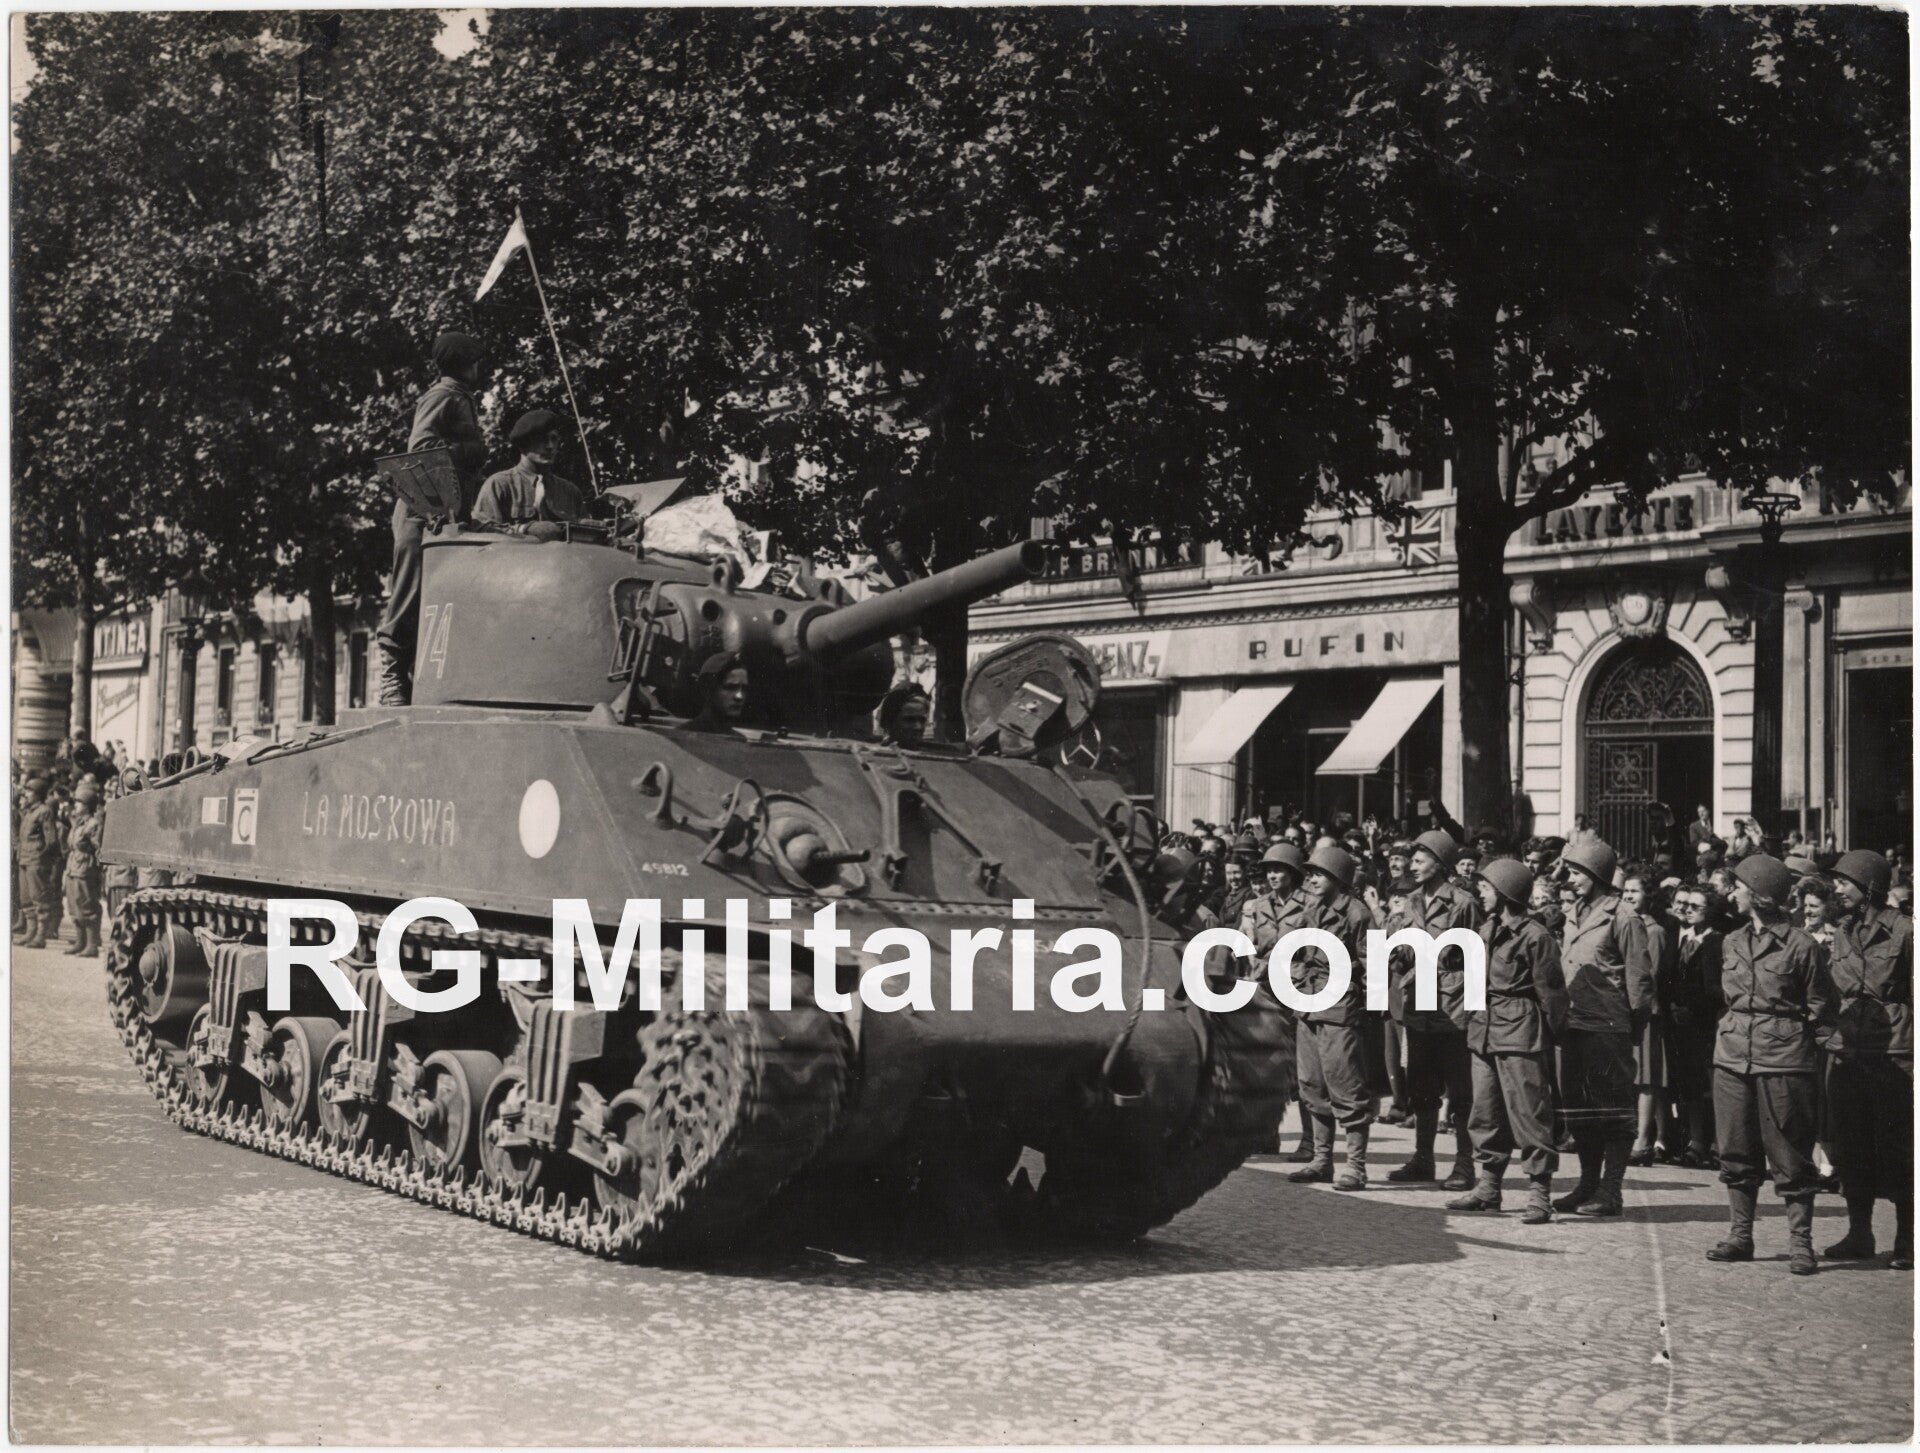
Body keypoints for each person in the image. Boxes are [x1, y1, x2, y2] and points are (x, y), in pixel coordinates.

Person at [1707, 853, 1835, 1275]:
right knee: (1735, 1148)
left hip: (1783, 1060)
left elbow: (1821, 1006)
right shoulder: (1731, 940)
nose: (1733, 893)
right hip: (1731, 1056)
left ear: (1760, 895)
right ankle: (1740, 1235)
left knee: (1790, 1152)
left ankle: (1801, 1244)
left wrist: (1793, 1038)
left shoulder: (1801, 946)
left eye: (1740, 887)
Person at [377, 331, 490, 705]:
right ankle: (392, 680)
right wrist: (469, 450)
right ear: (464, 364)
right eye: (475, 361)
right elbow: (421, 449)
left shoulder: (460, 396)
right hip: (422, 510)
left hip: (447, 510)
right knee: (409, 592)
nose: (479, 367)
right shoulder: (442, 396)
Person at [1452, 858, 1568, 1221]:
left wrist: (1552, 1036)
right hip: (1484, 1031)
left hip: (1520, 1034)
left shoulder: (1536, 936)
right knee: (1485, 1113)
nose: (1480, 893)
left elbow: (1552, 994)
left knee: (1529, 1114)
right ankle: (1488, 1187)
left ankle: (1539, 1194)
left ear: (1505, 893)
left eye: (1486, 888)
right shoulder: (1486, 929)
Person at [1820, 850, 1913, 1269]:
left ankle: (1908, 1238)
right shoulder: (1842, 931)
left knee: (1898, 1148)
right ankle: (1860, 1234)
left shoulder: (1905, 931)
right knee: (1851, 1146)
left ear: (1870, 886)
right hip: (1848, 1052)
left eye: (1845, 882)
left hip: (1893, 1054)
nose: (1837, 888)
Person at [1556, 835, 1655, 1217]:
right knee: (1580, 1112)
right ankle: (1587, 1185)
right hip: (1574, 1024)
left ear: (1596, 873)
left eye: (1576, 872)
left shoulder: (1623, 917)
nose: (1570, 879)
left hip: (1607, 1027)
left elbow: (1639, 980)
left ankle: (1611, 1191)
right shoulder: (1574, 912)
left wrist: (1629, 1028)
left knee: (1612, 1111)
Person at [1385, 829, 1483, 1190]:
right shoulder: (1409, 902)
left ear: (1439, 864)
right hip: (1419, 1003)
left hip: (1454, 1007)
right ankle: (1423, 1160)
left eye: (1420, 860)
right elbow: (1401, 953)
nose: (1412, 866)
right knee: (1421, 1087)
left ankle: (1464, 1165)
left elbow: (1477, 957)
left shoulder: (1463, 903)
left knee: (1460, 1091)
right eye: (1412, 860)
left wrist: (1475, 1010)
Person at [1288, 845, 1376, 1192]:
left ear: (1338, 878)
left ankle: (1356, 1167)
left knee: (1346, 1086)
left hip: (1340, 1010)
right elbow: (1292, 952)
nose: (1310, 880)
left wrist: (1361, 1001)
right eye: (1309, 874)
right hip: (1308, 1005)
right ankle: (1321, 1160)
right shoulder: (1310, 910)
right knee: (1311, 1085)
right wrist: (1298, 979)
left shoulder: (1357, 913)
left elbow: (1374, 964)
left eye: (1318, 874)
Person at [1666, 885, 1725, 1168]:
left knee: (1711, 1086)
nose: (1687, 911)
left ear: (1710, 910)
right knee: (1691, 1084)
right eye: (1686, 905)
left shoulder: (1716, 942)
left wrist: (1690, 1006)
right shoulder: (1685, 938)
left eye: (1695, 907)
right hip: (1684, 1025)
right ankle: (1696, 1142)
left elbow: (1714, 988)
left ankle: (1717, 1146)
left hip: (1706, 1024)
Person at [1622, 870, 1677, 1166]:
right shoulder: (1627, 925)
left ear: (1648, 895)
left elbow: (1649, 975)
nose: (1628, 896)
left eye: (1635, 891)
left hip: (1645, 1011)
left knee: (1646, 1078)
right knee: (1631, 1077)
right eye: (1626, 891)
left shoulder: (1653, 931)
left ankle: (1643, 1141)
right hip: (1625, 1010)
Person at [473, 408, 588, 536]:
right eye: (542, 439)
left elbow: (583, 537)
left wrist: (591, 527)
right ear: (522, 444)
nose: (550, 446)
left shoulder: (571, 492)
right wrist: (524, 529)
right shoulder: (499, 484)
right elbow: (481, 529)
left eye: (554, 439)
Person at [13, 777, 60, 950]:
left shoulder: (44, 811)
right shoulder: (28, 811)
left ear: (38, 794)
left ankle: (40, 936)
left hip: (37, 861)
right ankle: (30, 932)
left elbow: (51, 840)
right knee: (26, 899)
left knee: (39, 898)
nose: (26, 794)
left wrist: (42, 857)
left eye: (29, 791)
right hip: (24, 859)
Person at [61, 779, 103, 958]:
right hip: (73, 868)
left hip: (86, 869)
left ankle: (92, 945)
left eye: (79, 802)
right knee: (74, 906)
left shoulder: (94, 824)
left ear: (87, 805)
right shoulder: (77, 823)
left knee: (87, 906)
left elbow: (98, 848)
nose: (76, 805)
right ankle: (80, 942)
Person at [685, 651, 752, 734]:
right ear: (708, 690)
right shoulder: (682, 735)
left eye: (744, 689)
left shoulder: (738, 739)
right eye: (730, 687)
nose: (739, 696)